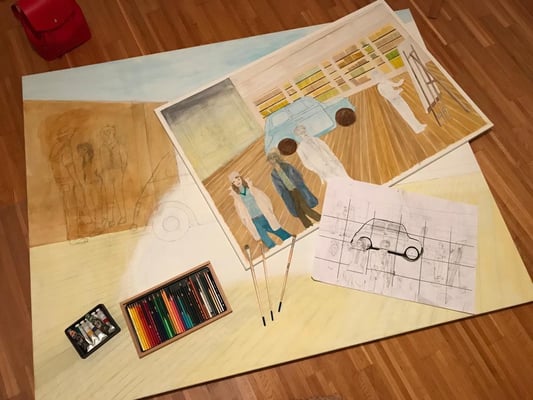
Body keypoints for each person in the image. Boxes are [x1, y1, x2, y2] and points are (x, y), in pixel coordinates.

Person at [228, 171, 292, 249]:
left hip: (262, 215)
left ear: (241, 178)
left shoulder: (251, 189)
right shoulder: (237, 198)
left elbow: (265, 198)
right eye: (234, 181)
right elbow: (240, 212)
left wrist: (269, 210)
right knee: (265, 238)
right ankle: (274, 249)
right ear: (233, 184)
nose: (237, 182)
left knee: (276, 229)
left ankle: (290, 239)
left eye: (238, 179)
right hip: (254, 220)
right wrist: (245, 221)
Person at [266, 149, 320, 228]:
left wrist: (299, 183)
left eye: (272, 159)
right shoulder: (273, 173)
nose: (271, 161)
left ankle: (320, 218)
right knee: (298, 211)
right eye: (269, 160)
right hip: (288, 193)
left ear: (276, 158)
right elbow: (278, 186)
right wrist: (283, 193)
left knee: (305, 207)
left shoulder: (287, 166)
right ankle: (308, 225)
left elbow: (298, 174)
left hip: (297, 189)